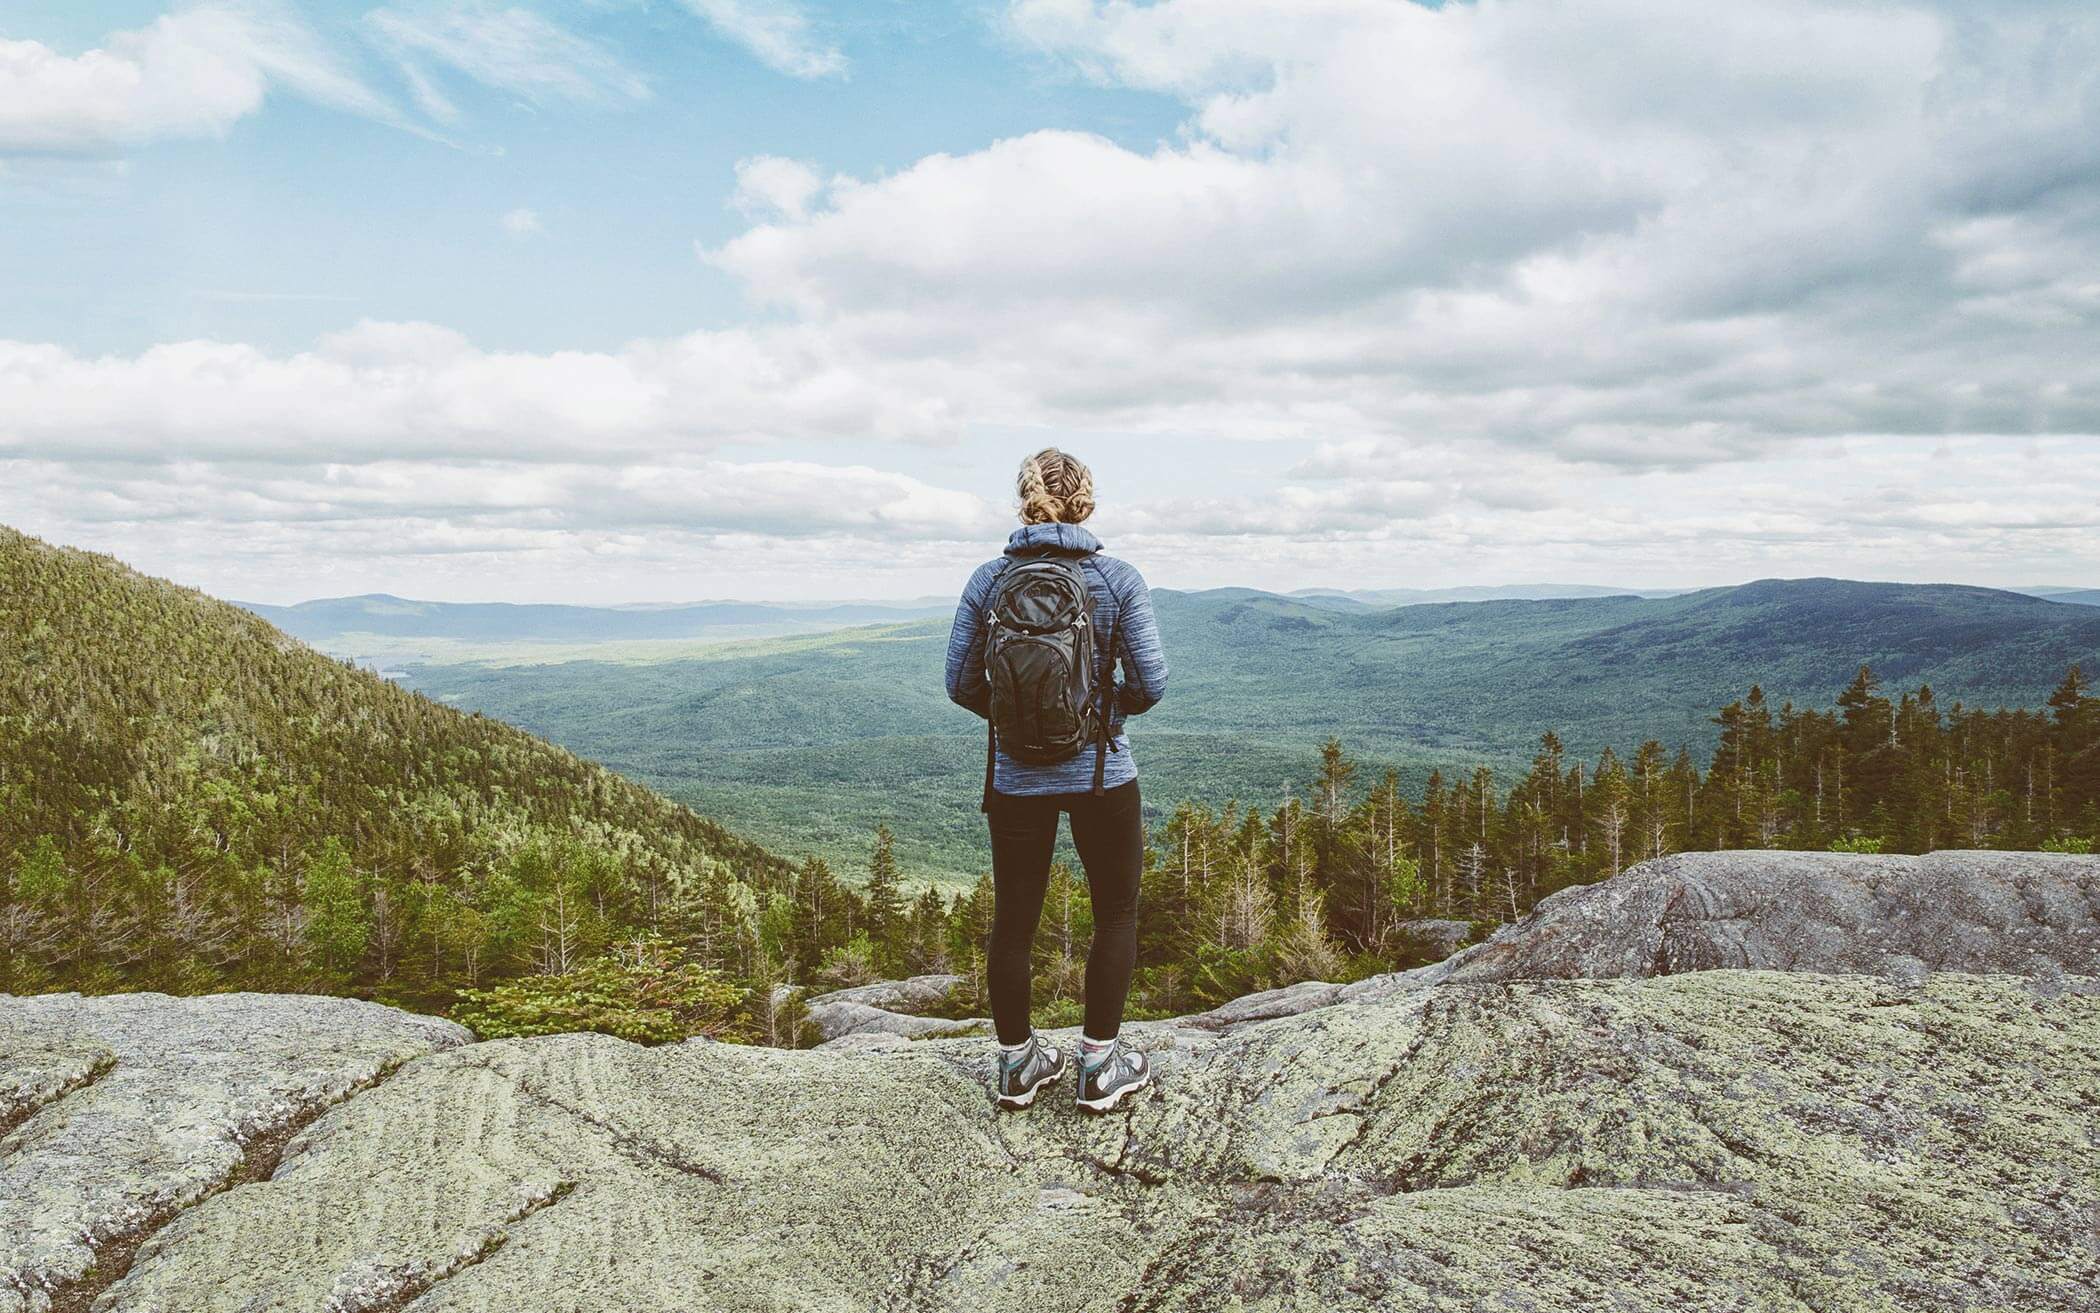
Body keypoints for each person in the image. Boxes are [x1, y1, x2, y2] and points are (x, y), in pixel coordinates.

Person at [945, 448, 1169, 1113]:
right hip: (1104, 773)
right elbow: (1152, 684)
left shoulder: (989, 580)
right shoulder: (1118, 578)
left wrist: (1020, 726)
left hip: (1016, 777)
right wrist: (1095, 718)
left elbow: (959, 683)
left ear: (1023, 500)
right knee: (1117, 911)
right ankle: (1100, 1065)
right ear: (1088, 500)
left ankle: (1018, 1065)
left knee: (1014, 920)